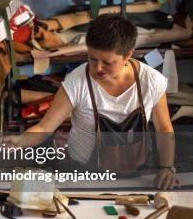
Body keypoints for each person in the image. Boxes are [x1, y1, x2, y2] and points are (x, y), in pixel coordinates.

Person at [9, 14, 178, 190]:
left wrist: (166, 168)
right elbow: (45, 128)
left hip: (138, 173)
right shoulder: (77, 82)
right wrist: (20, 140)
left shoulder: (151, 81)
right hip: (83, 170)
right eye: (92, 59)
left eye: (107, 62)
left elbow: (163, 129)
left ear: (128, 55)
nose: (98, 68)